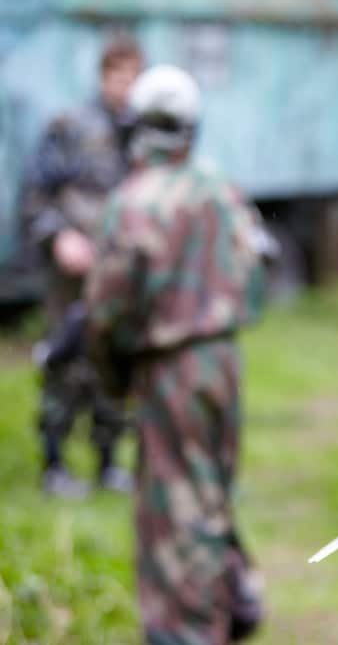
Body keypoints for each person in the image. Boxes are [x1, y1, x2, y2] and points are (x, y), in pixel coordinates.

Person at [84, 64, 268, 643]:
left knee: (173, 512)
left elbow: (106, 310)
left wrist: (112, 377)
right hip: (221, 362)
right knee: (210, 493)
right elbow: (258, 271)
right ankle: (228, 599)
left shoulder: (133, 200)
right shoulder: (219, 187)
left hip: (167, 369)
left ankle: (188, 628)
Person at [19, 34, 143, 497]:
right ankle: (53, 464)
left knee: (113, 364)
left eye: (133, 76)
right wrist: (59, 237)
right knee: (63, 363)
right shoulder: (70, 126)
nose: (124, 86)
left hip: (117, 276)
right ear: (102, 77)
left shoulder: (143, 134)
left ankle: (108, 463)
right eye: (116, 76)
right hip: (71, 273)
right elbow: (33, 195)